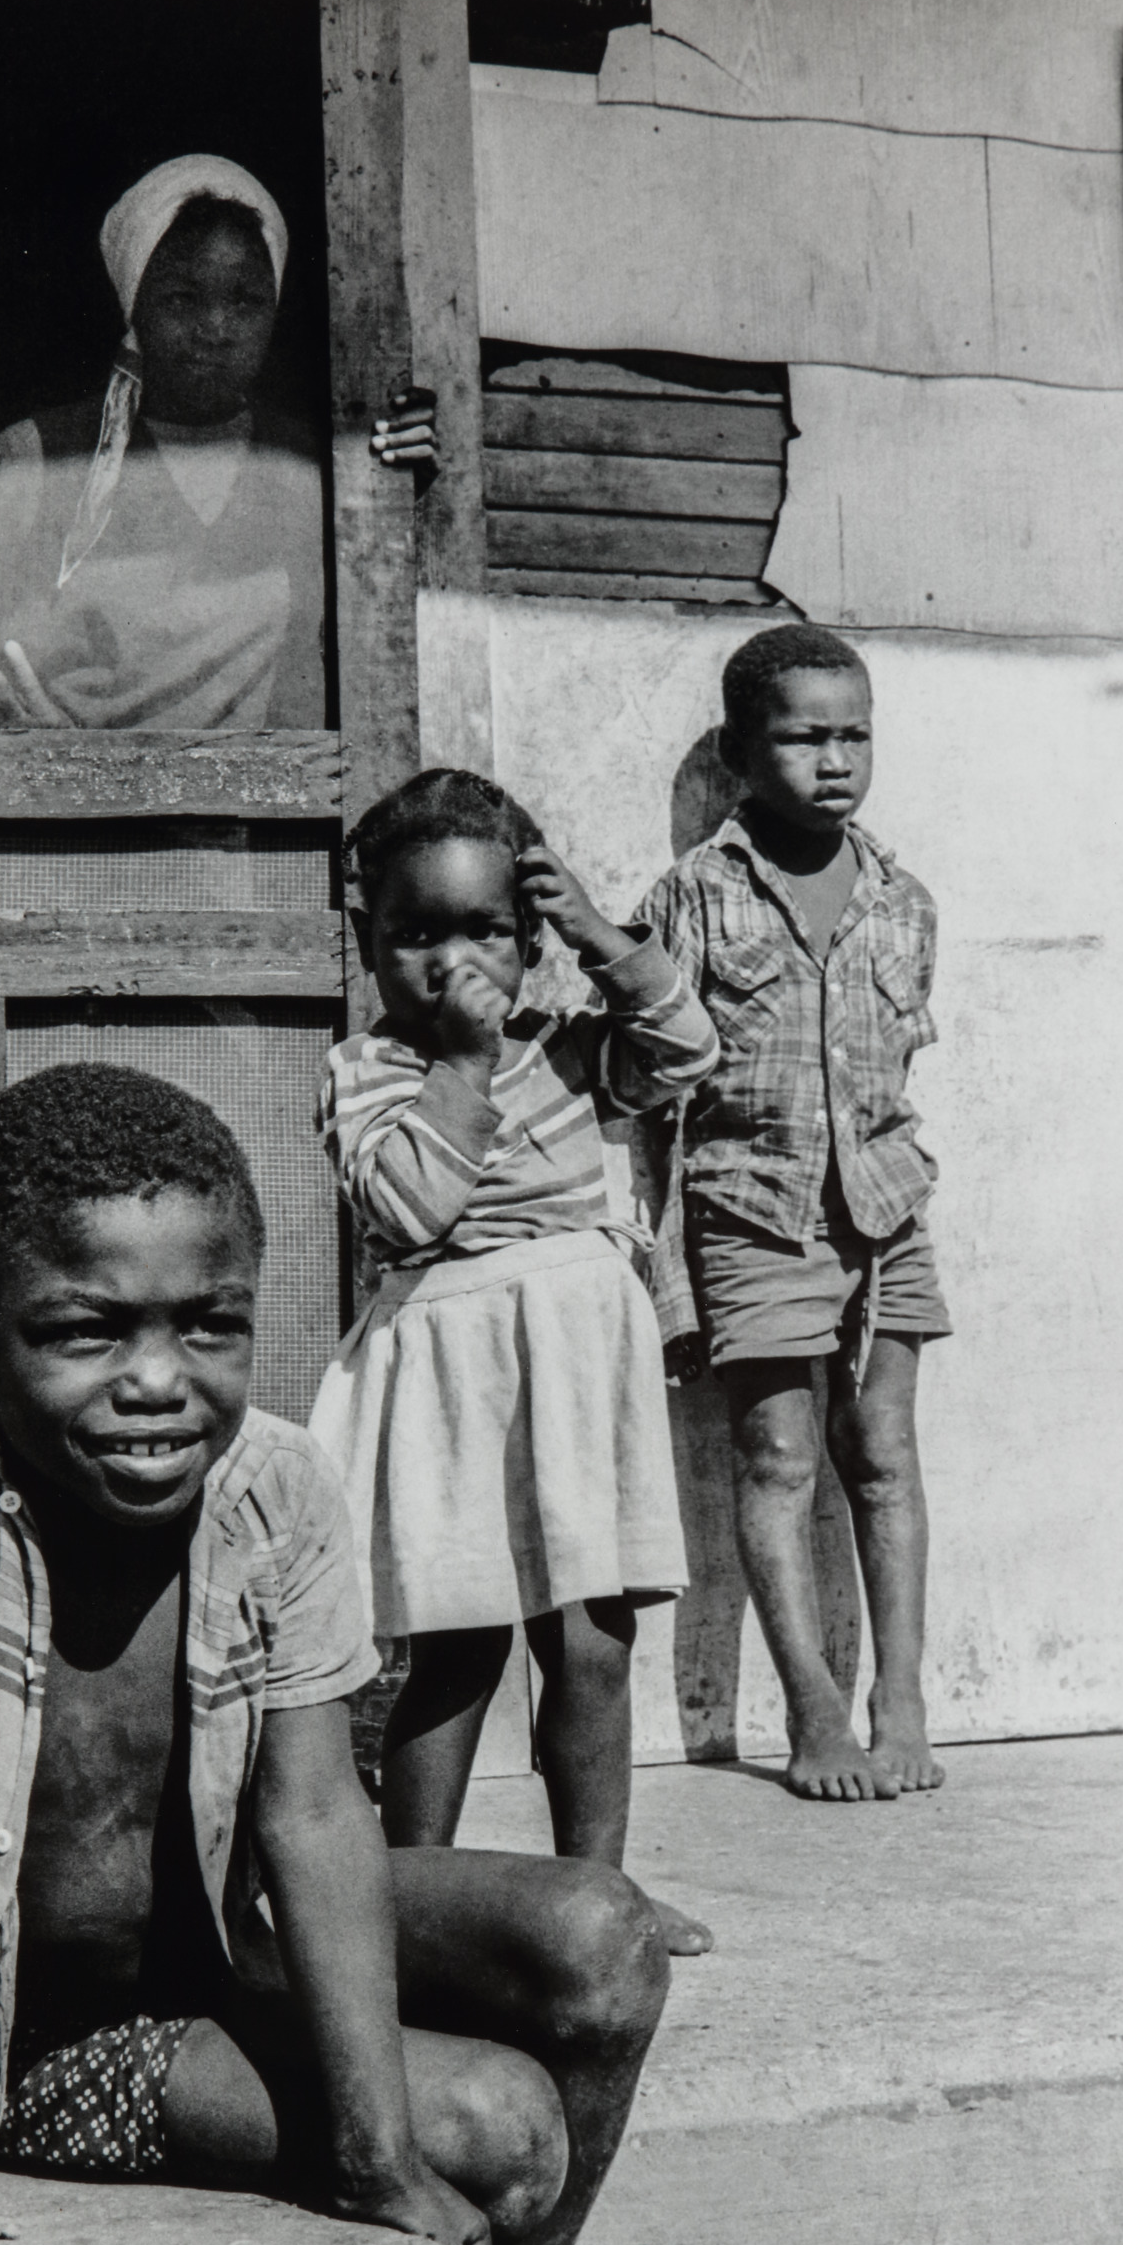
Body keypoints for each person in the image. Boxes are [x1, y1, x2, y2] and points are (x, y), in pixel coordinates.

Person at [0, 1065, 667, 2245]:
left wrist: (373, 2153)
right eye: (84, 1331)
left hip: (240, 1941)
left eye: (210, 1324)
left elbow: (316, 1810)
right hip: (66, 2039)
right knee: (505, 2129)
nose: (159, 1381)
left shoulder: (274, 1486)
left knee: (601, 1934)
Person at [308, 769, 719, 1957]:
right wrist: (462, 1063)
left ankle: (599, 1898)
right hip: (453, 1376)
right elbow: (417, 1204)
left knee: (591, 1642)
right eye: (416, 936)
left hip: (578, 1367)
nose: (453, 963)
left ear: (529, 939)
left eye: (485, 930)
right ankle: (402, 1898)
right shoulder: (372, 1073)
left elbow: (688, 1054)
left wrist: (602, 938)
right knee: (456, 1640)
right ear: (368, 943)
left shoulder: (569, 1048)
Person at [637, 625, 951, 1803]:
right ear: (737, 752)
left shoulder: (903, 900)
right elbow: (650, 1088)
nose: (835, 760)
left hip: (886, 1208)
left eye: (853, 735)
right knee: (774, 1462)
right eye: (804, 736)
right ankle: (813, 1713)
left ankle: (903, 1700)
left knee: (884, 1455)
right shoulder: (691, 900)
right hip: (753, 1212)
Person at [0, 155, 433, 729]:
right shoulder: (38, 456)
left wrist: (413, 492)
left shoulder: (312, 467)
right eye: (182, 298)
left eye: (245, 300)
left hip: (265, 810)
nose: (216, 328)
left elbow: (388, 648)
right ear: (134, 307)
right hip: (62, 808)